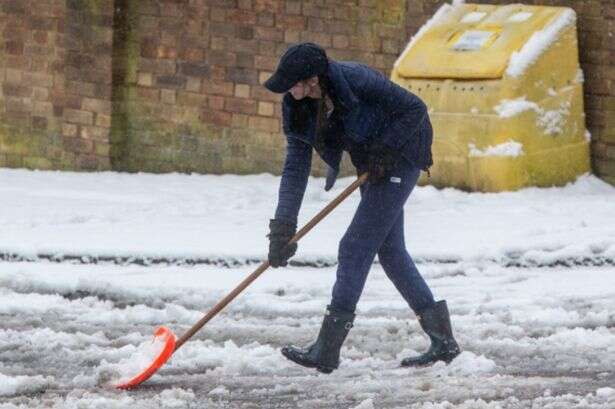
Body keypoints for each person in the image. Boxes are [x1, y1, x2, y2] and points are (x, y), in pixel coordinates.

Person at [264, 42, 460, 374]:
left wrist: (385, 149)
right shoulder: (296, 105)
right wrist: (283, 227)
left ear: (314, 80)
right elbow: (295, 166)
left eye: (294, 83)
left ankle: (326, 351)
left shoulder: (356, 79)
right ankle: (443, 342)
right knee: (391, 250)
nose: (289, 90)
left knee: (355, 247)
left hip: (401, 152)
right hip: (373, 159)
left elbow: (415, 108)